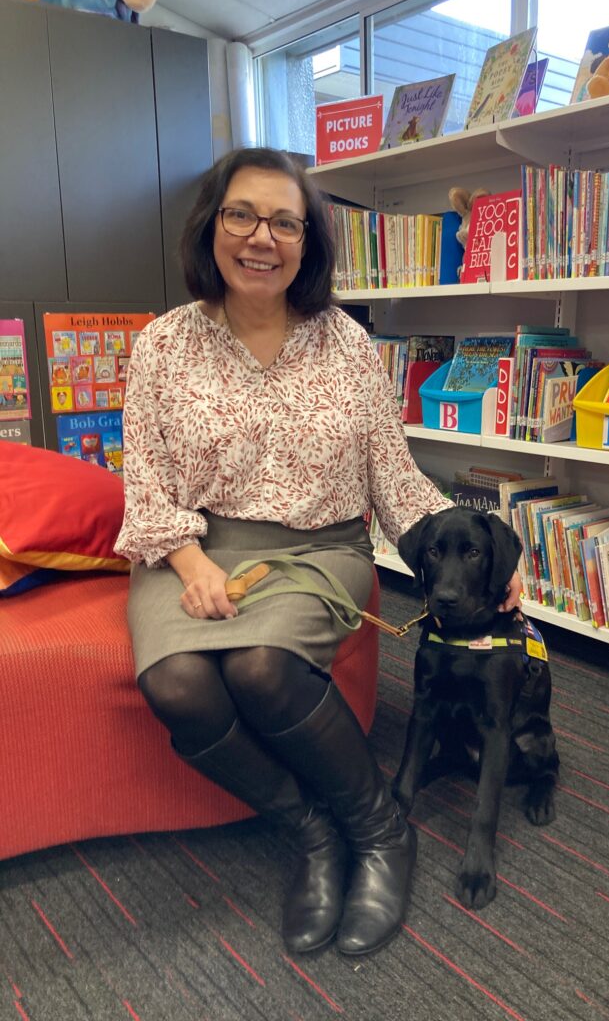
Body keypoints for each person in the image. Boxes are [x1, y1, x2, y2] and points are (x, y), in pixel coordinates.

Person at [115, 146, 522, 957]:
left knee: (262, 667)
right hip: (192, 544)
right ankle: (307, 832)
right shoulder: (163, 345)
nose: (261, 237)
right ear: (212, 226)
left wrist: (489, 558)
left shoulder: (347, 345)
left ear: (307, 242)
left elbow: (393, 478)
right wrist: (192, 565)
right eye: (242, 215)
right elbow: (145, 483)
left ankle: (378, 831)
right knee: (178, 682)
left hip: (317, 546)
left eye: (284, 222)